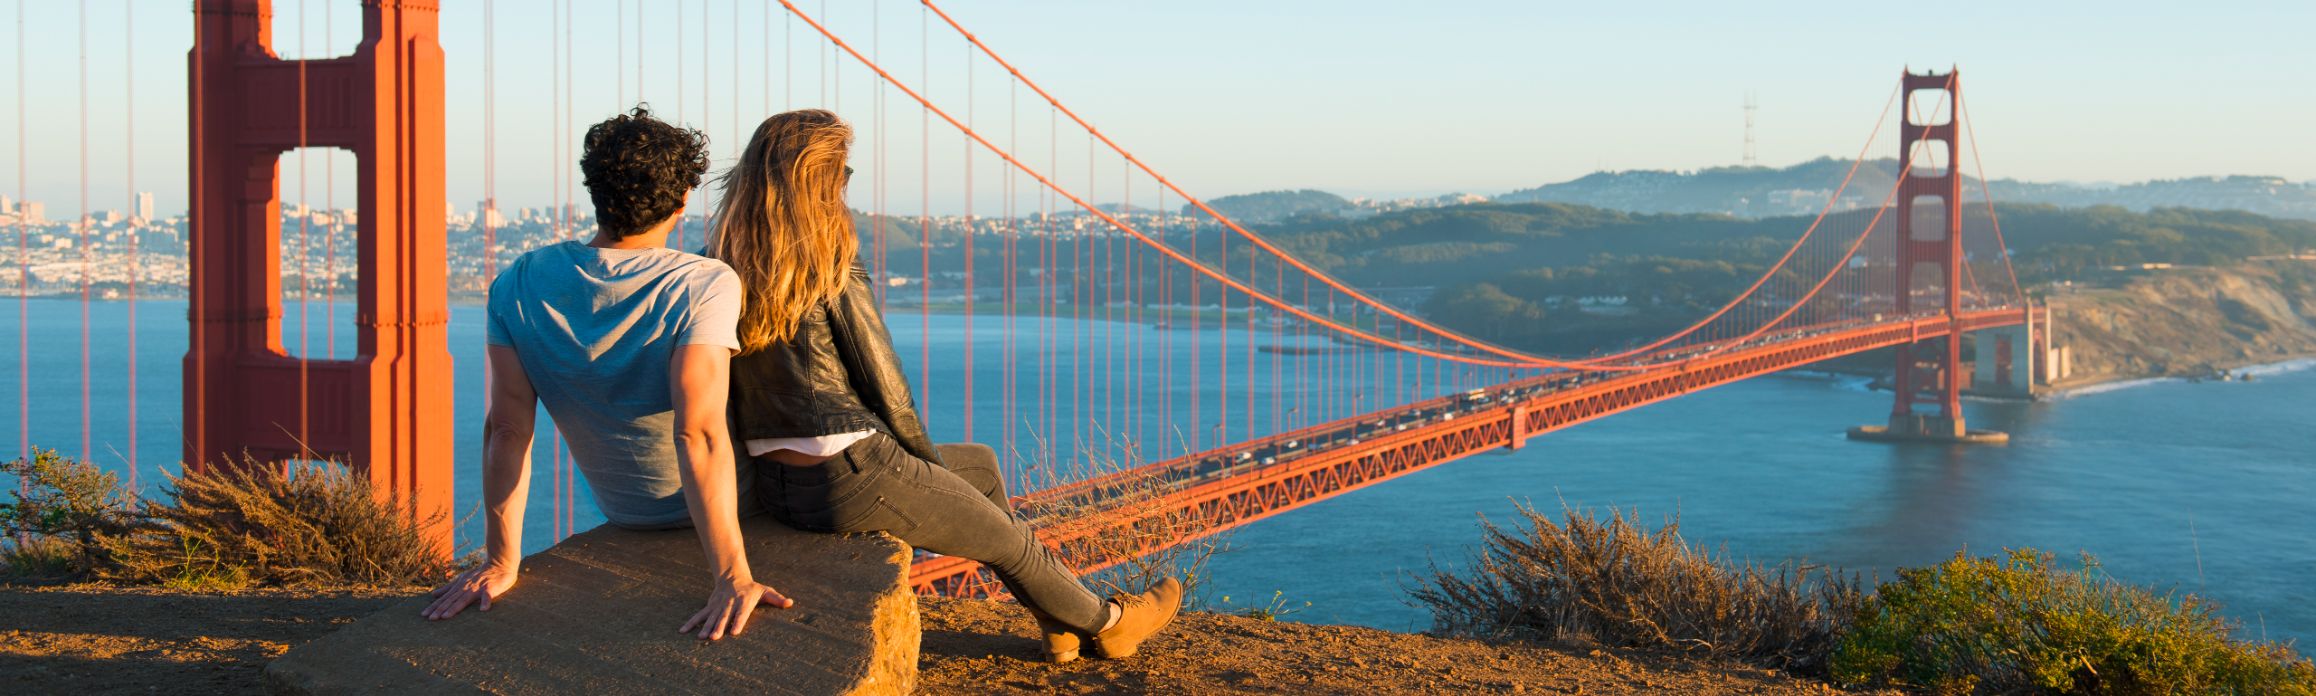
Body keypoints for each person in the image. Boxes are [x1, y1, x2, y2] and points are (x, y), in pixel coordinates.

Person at [707, 108, 1181, 663]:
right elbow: (886, 385)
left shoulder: (719, 263)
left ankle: (1056, 617)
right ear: (821, 180)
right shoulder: (828, 261)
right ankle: (1111, 623)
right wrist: (924, 471)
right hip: (850, 470)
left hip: (779, 482)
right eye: (844, 174)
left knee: (977, 465)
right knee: (1009, 541)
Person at [423, 106, 791, 642]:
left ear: (594, 191)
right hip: (746, 501)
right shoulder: (705, 282)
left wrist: (502, 561)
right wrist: (732, 577)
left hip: (625, 511)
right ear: (684, 199)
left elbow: (507, 430)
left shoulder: (517, 281)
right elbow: (699, 432)